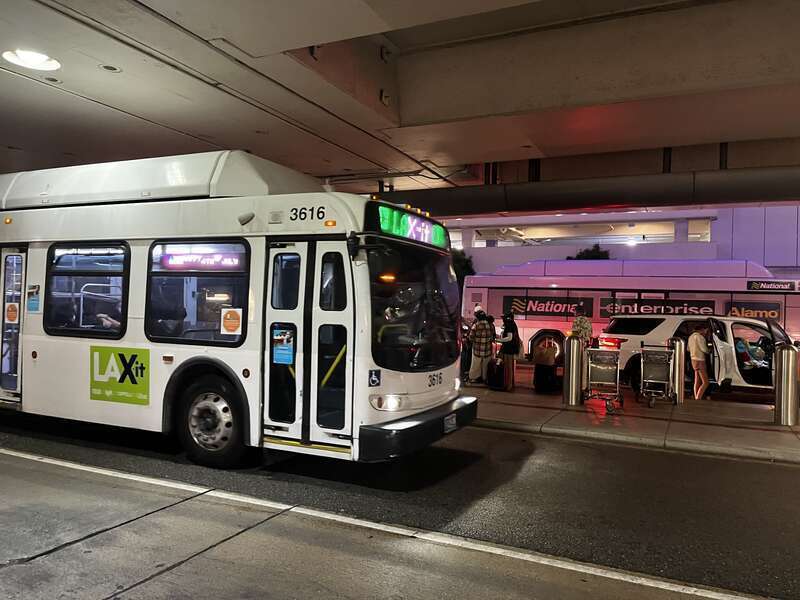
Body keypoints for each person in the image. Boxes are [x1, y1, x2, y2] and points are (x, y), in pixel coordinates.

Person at [468, 311, 494, 384]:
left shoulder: (476, 325)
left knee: (475, 365)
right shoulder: (490, 325)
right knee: (485, 365)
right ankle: (485, 378)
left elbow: (471, 337)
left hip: (477, 349)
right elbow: (492, 336)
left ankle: (474, 378)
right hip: (487, 350)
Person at [497, 311, 521, 391]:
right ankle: (510, 384)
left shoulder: (509, 324)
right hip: (511, 348)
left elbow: (509, 338)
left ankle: (509, 386)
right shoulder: (512, 324)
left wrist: (500, 340)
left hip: (508, 349)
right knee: (510, 368)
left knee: (508, 368)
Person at [688, 324, 711, 400]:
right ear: (702, 330)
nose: (706, 332)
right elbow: (704, 349)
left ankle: (696, 396)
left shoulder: (691, 337)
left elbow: (688, 349)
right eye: (705, 330)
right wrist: (709, 351)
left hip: (693, 360)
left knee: (697, 380)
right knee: (705, 382)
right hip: (700, 360)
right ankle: (698, 398)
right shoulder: (700, 337)